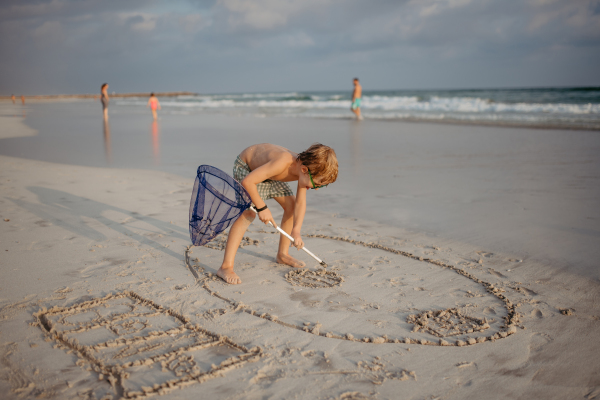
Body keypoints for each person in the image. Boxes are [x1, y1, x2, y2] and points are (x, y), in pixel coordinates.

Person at [217, 143, 338, 285]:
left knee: (291, 206)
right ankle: (225, 267)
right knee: (249, 213)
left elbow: (300, 203)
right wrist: (262, 208)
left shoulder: (303, 171)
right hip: (248, 168)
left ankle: (283, 254)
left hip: (269, 174)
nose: (317, 189)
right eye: (317, 184)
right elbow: (247, 182)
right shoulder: (283, 162)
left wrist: (296, 231)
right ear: (305, 170)